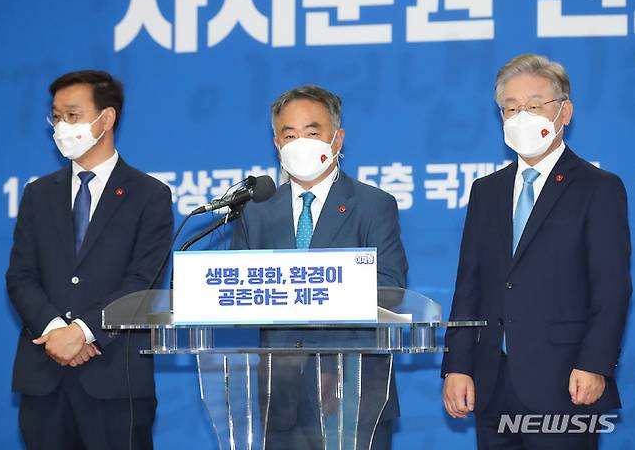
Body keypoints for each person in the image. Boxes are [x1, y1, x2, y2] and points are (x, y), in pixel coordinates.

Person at [441, 54, 631, 449]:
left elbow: (612, 287)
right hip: (492, 382)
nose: (521, 117)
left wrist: (594, 364)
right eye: (511, 108)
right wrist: (457, 365)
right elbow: (469, 285)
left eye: (534, 105)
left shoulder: (597, 187)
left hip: (565, 381)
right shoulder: (486, 191)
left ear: (565, 112)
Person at [231, 84, 408, 449]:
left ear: (336, 138)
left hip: (354, 390)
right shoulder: (256, 211)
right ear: (277, 144)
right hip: (280, 395)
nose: (300, 144)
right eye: (289, 135)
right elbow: (238, 298)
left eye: (312, 133)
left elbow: (389, 289)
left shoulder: (373, 205)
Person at [6, 70, 173, 450]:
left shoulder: (149, 195)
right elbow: (20, 276)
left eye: (73, 115)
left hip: (115, 379)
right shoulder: (38, 194)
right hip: (44, 377)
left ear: (106, 118)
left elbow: (143, 281)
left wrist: (82, 331)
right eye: (56, 116)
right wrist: (57, 332)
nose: (62, 126)